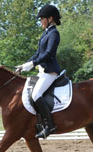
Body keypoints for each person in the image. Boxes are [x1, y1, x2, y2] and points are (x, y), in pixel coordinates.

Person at [16, 4, 61, 139]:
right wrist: (25, 64)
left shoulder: (54, 33)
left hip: (50, 71)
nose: (41, 21)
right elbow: (38, 53)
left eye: (42, 18)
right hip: (42, 71)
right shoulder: (45, 33)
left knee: (36, 94)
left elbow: (49, 54)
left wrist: (33, 63)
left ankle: (50, 125)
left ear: (50, 18)